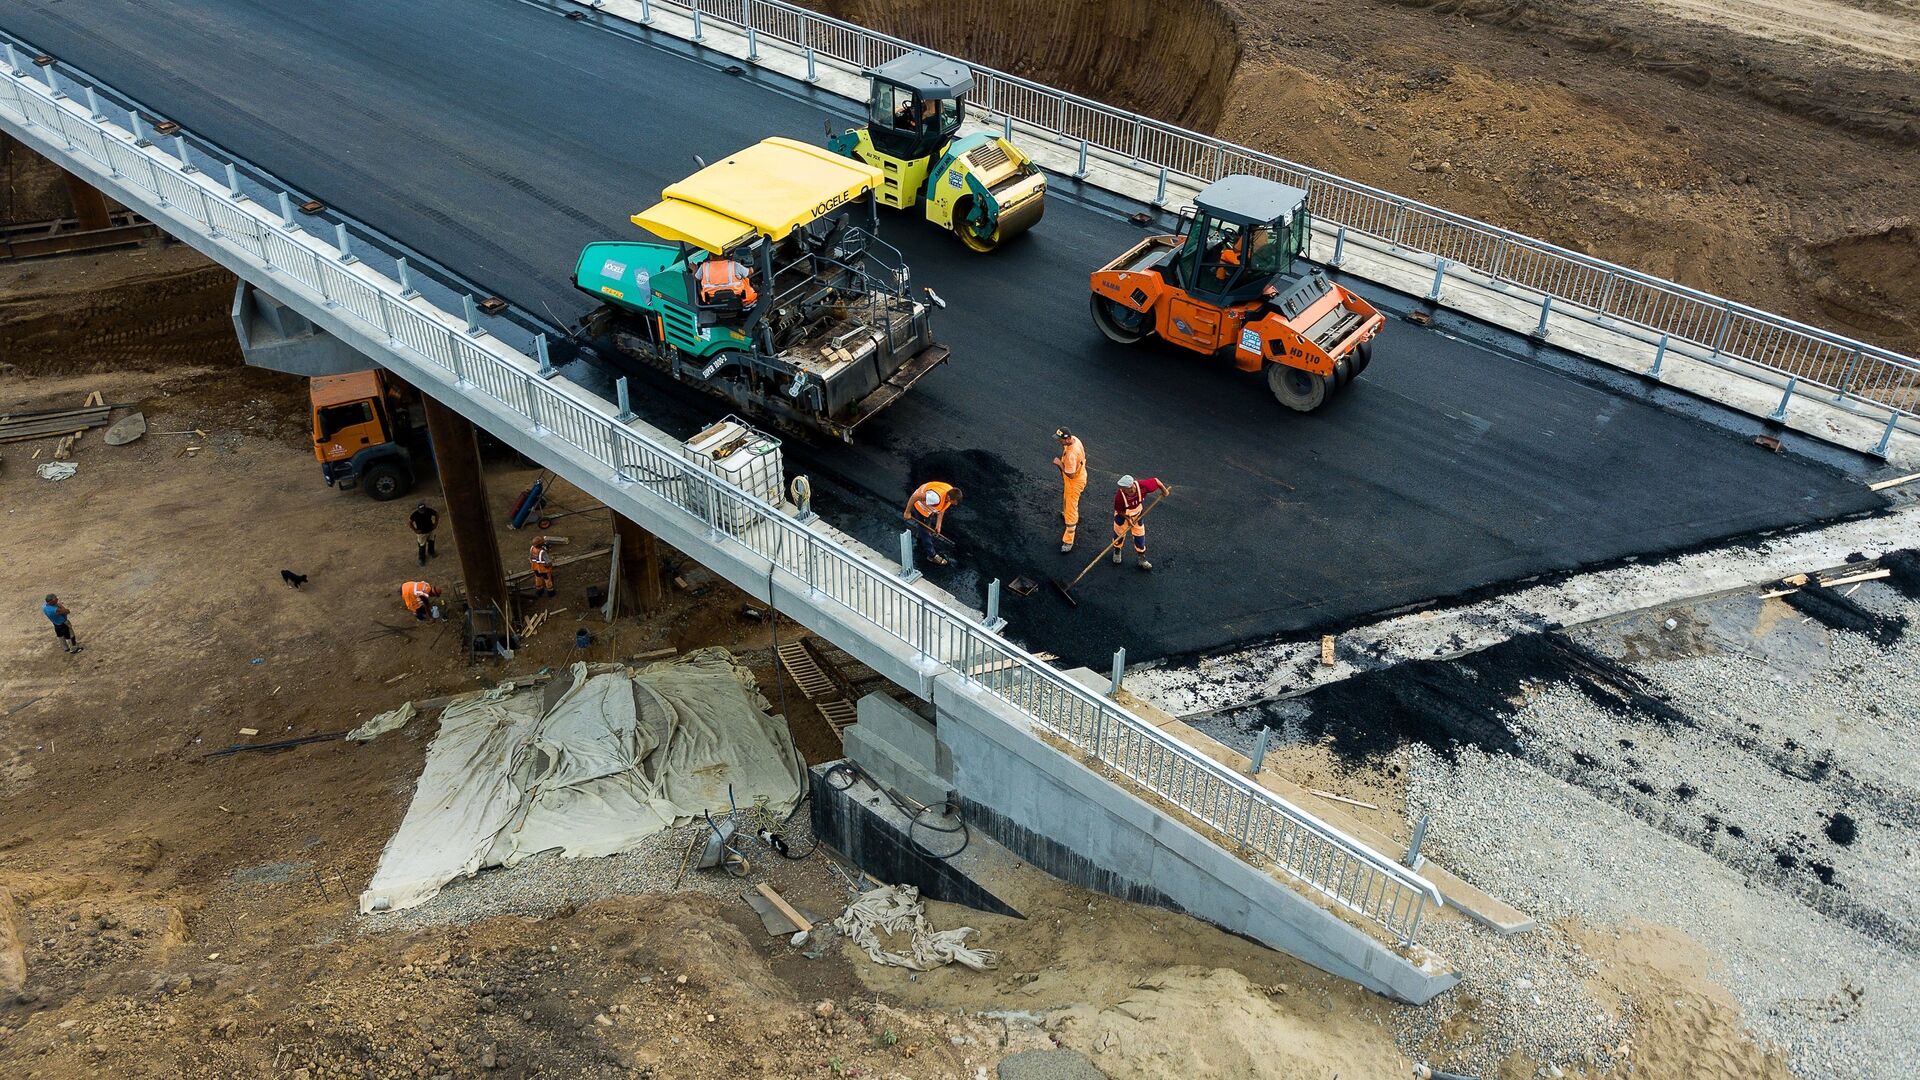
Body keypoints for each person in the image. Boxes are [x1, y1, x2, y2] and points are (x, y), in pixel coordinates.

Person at [1112, 474, 1169, 571]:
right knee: (1119, 535)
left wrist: (1164, 491)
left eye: (1123, 488)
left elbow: (1156, 481)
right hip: (1122, 516)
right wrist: (1128, 518)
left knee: (1140, 536)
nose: (1121, 489)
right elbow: (1118, 510)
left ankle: (1142, 559)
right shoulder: (1119, 496)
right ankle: (1117, 551)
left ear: (1130, 487)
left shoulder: (1143, 486)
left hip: (1138, 515)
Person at [902, 481, 960, 567]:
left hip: (928, 501)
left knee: (925, 526)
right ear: (949, 497)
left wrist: (938, 524)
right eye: (954, 502)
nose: (955, 504)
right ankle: (932, 555)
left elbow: (943, 507)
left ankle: (920, 534)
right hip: (920, 504)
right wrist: (907, 512)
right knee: (925, 531)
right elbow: (915, 496)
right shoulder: (936, 498)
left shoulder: (950, 491)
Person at [1052, 427, 1087, 553]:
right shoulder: (1075, 440)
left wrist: (1059, 464)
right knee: (1067, 501)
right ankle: (1067, 514)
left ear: (1067, 439)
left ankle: (1068, 540)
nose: (1059, 442)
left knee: (1071, 509)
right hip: (1080, 475)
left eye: (1060, 440)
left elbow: (1070, 474)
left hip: (1074, 481)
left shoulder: (1072, 454)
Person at [409, 502, 440, 566]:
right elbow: (410, 522)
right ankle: (421, 558)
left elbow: (437, 514)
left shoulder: (429, 510)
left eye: (423, 510)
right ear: (418, 509)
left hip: (430, 530)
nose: (423, 512)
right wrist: (415, 530)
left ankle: (431, 552)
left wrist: (436, 524)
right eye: (421, 511)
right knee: (422, 545)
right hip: (422, 533)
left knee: (432, 541)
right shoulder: (415, 514)